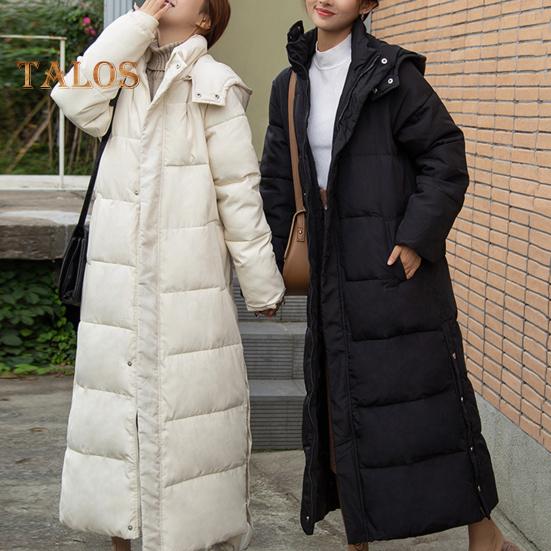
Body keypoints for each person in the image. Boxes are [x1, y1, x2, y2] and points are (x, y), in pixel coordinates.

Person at [259, 1, 520, 550]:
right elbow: (277, 182)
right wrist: (272, 265)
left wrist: (416, 236)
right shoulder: (289, 84)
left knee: (433, 408)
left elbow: (444, 155)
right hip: (330, 269)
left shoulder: (392, 73)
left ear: (368, 5)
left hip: (392, 268)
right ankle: (359, 540)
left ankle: (485, 533)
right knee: (340, 404)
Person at [50, 1, 285, 550]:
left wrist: (261, 282)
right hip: (118, 288)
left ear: (206, 19)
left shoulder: (216, 83)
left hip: (186, 287)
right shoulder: (122, 72)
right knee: (116, 426)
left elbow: (238, 191)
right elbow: (73, 96)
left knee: (187, 427)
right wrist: (135, 26)